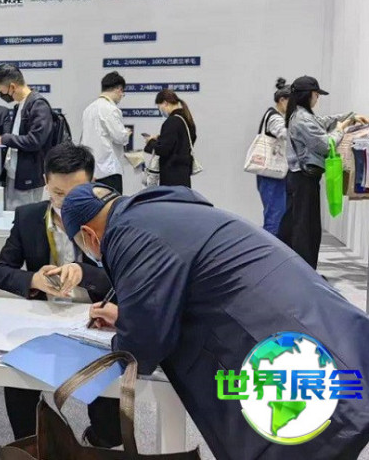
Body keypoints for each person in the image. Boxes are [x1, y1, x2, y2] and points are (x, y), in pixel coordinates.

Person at [61, 183, 369, 460]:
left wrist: (124, 337)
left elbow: (141, 347)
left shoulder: (126, 233)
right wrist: (126, 317)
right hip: (326, 328)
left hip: (288, 355)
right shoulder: (163, 210)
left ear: (88, 235)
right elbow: (179, 289)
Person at [0, 143, 121, 448]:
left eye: (76, 194)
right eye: (58, 193)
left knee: (108, 417)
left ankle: (99, 441)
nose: (66, 203)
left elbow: (123, 281)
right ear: (45, 182)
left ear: (93, 184)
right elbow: (0, 271)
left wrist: (84, 273)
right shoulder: (28, 217)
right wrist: (33, 279)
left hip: (97, 323)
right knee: (17, 384)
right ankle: (32, 446)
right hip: (44, 321)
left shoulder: (111, 219)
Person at [277, 76, 368, 269]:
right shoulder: (302, 118)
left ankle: (301, 271)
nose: (317, 98)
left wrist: (350, 117)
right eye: (316, 94)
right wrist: (341, 129)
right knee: (305, 230)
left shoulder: (302, 115)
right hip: (303, 180)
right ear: (307, 95)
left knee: (301, 226)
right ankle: (305, 273)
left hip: (302, 179)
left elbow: (323, 122)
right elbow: (326, 145)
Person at [0, 64, 53, 210]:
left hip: (28, 177)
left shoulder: (38, 105)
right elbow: (19, 137)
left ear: (12, 87)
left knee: (26, 217)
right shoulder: (20, 106)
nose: (1, 94)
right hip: (14, 174)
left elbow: (35, 140)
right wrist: (1, 138)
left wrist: (5, 139)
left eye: (1, 90)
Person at [79, 71, 132, 193]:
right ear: (119, 89)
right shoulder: (111, 109)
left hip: (90, 170)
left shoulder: (88, 109)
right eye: (122, 93)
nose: (121, 97)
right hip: (109, 170)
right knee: (112, 203)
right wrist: (126, 133)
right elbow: (120, 137)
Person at [256, 78, 290, 236]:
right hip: (272, 173)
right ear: (282, 100)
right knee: (275, 216)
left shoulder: (275, 115)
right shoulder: (275, 117)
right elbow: (285, 134)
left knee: (276, 214)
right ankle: (270, 249)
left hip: (272, 173)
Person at [144, 90, 197, 187]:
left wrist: (150, 141)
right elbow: (181, 141)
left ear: (165, 103)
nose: (161, 111)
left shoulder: (172, 121)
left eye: (159, 107)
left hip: (171, 174)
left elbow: (163, 149)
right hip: (184, 173)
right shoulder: (187, 120)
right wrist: (161, 137)